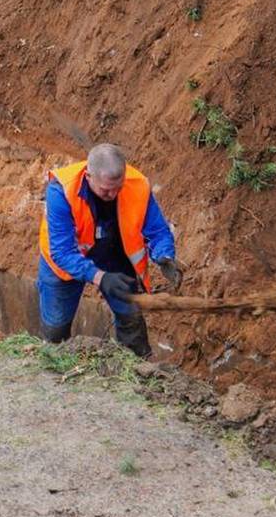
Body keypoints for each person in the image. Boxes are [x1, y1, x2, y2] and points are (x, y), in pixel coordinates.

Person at [37, 143, 183, 357]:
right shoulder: (61, 192)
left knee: (130, 314)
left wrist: (164, 254)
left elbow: (157, 230)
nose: (113, 194)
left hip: (113, 252)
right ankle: (54, 367)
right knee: (56, 326)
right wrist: (99, 277)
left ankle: (138, 369)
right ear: (89, 177)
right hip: (65, 262)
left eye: (118, 188)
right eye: (105, 190)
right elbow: (62, 252)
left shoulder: (137, 185)